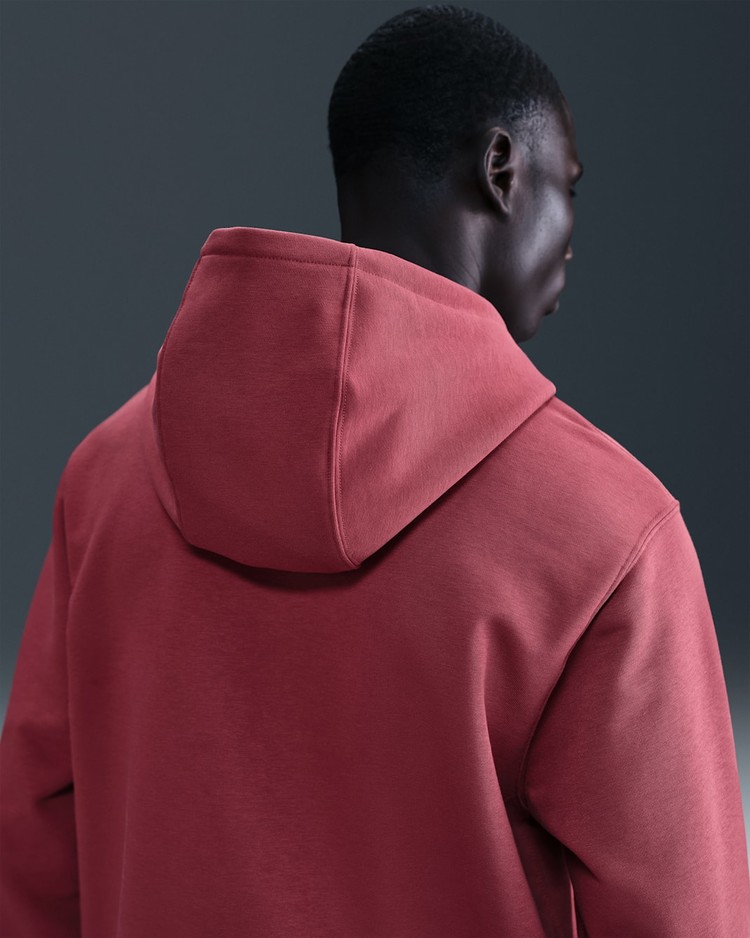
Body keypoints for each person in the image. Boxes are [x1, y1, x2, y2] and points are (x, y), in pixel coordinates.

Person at [1, 4, 748, 936]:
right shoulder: (610, 536)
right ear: (502, 170)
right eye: (569, 186)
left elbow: (32, 865)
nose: (571, 237)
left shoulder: (104, 480)